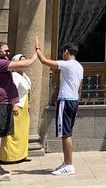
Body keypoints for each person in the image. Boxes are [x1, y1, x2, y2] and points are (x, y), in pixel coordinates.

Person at [35, 38, 83, 175]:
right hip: (73, 100)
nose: (62, 55)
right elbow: (80, 87)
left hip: (66, 100)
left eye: (63, 52)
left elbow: (44, 61)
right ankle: (66, 162)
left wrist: (37, 49)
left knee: (65, 134)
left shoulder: (67, 64)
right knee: (67, 133)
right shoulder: (79, 66)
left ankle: (69, 165)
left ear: (66, 51)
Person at [0, 42, 36, 178]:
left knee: (0, 133)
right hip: (0, 103)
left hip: (4, 102)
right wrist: (36, 54)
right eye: (6, 51)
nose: (8, 53)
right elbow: (25, 64)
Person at [0, 53, 32, 165]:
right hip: (17, 106)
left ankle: (22, 155)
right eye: (21, 61)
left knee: (22, 131)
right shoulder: (14, 75)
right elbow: (12, 90)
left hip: (24, 106)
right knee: (14, 132)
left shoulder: (25, 76)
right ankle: (10, 156)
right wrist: (14, 105)